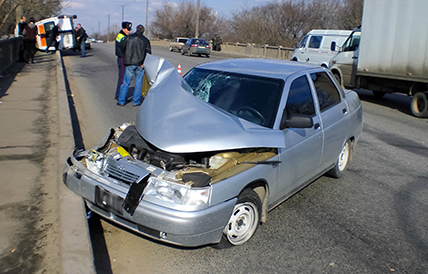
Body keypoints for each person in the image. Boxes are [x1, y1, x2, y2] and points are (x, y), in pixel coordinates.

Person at [117, 24, 151, 106]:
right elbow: (148, 53)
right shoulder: (145, 40)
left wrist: (125, 57)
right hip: (140, 64)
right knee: (138, 84)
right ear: (143, 31)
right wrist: (144, 63)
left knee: (125, 83)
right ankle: (135, 101)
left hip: (129, 63)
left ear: (136, 30)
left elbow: (121, 47)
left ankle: (121, 101)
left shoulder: (128, 38)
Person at [115, 21, 132, 100]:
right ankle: (120, 96)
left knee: (123, 77)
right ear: (123, 29)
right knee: (122, 78)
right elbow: (123, 48)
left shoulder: (123, 35)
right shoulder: (121, 36)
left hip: (122, 57)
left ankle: (119, 95)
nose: (129, 31)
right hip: (122, 58)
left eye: (129, 29)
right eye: (127, 29)